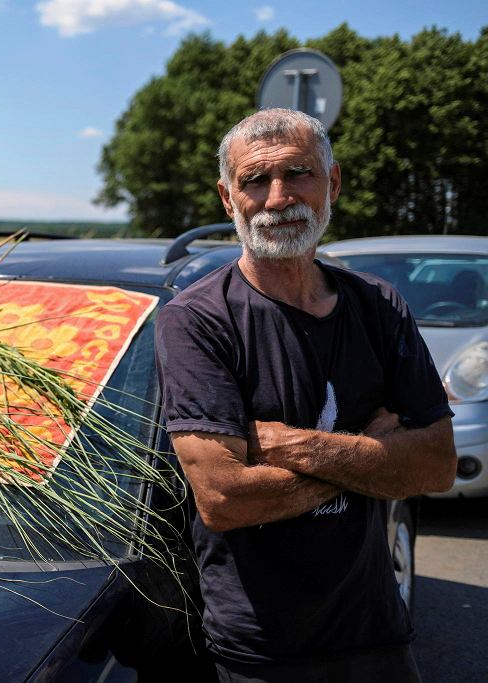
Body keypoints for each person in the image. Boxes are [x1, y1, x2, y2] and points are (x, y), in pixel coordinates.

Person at [154, 108, 457, 682]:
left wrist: (287, 445)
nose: (278, 198)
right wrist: (374, 454)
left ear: (332, 183)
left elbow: (436, 465)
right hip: (263, 648)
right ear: (227, 197)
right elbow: (224, 500)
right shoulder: (197, 319)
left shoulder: (378, 305)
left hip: (375, 629)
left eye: (298, 173)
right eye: (254, 180)